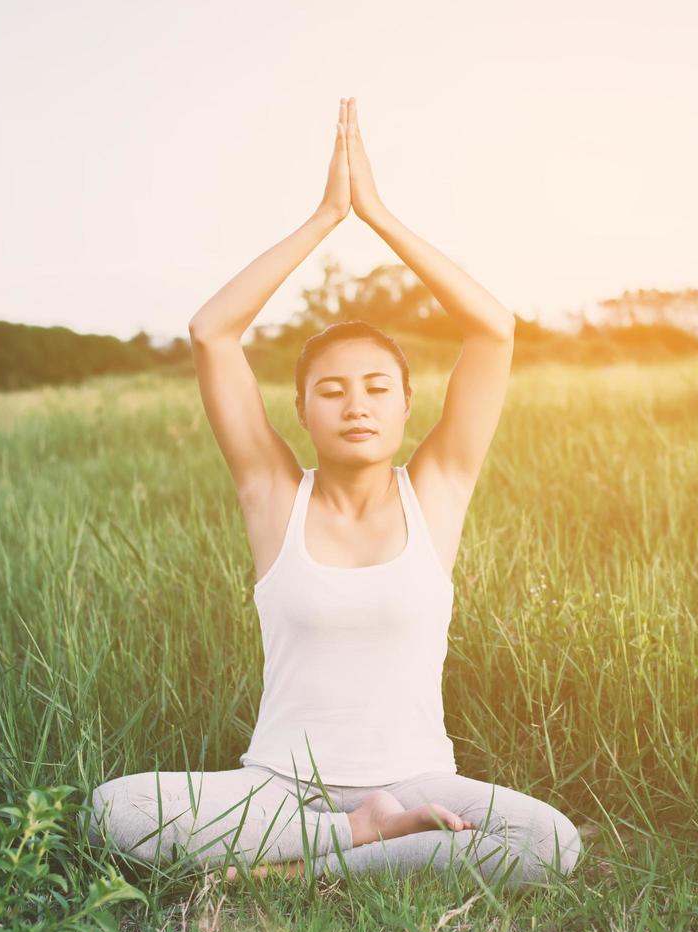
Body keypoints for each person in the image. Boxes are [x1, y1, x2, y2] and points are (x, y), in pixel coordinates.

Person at [85, 98, 580, 890]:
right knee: (114, 811)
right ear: (304, 410)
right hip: (281, 789)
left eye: (377, 387)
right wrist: (324, 218)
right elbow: (214, 331)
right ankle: (352, 841)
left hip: (420, 781)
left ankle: (297, 867)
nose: (356, 404)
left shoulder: (438, 490)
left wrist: (376, 214)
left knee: (548, 844)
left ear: (404, 405)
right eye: (333, 390)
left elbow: (492, 330)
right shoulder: (273, 495)